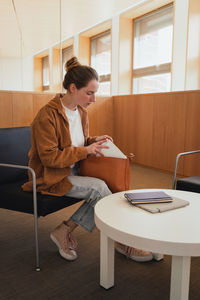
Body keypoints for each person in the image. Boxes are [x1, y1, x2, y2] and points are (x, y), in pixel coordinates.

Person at [22, 56, 153, 262]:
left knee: (112, 188)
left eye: (95, 93)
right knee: (100, 189)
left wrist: (93, 141)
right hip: (52, 176)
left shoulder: (81, 112)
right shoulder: (46, 116)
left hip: (76, 170)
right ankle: (116, 239)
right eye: (89, 93)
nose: (93, 99)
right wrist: (87, 150)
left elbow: (76, 142)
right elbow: (50, 158)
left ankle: (91, 233)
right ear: (73, 88)